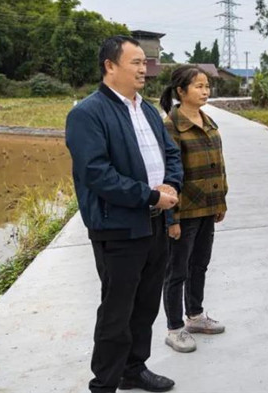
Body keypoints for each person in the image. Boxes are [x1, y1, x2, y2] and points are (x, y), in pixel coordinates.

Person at [66, 35, 183, 393]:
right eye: (136, 62)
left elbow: (171, 153)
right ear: (110, 66)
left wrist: (171, 185)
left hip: (155, 225)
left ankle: (134, 369)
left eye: (145, 62)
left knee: (146, 305)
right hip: (118, 228)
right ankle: (104, 383)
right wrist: (150, 196)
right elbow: (97, 173)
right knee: (117, 311)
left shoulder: (146, 110)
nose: (144, 69)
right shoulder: (87, 114)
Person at [159, 65, 228, 353]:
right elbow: (167, 175)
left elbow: (219, 165)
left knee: (199, 264)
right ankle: (175, 328)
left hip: (207, 208)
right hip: (184, 211)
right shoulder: (170, 126)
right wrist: (171, 219)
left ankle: (196, 316)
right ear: (181, 91)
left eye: (207, 86)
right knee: (177, 271)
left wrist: (220, 201)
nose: (205, 91)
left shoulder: (208, 121)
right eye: (199, 86)